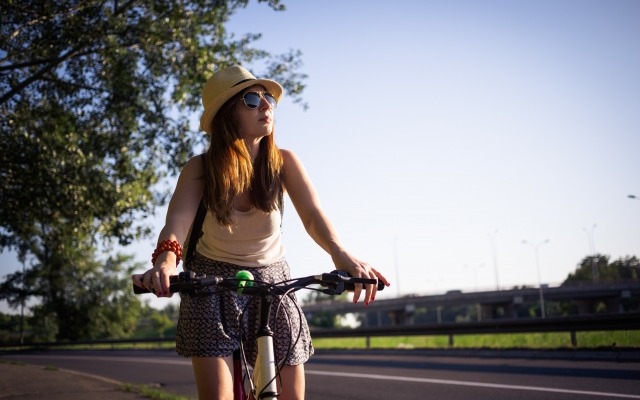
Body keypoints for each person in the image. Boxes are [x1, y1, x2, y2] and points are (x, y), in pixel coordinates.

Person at [132, 65, 389, 400]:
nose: (266, 105)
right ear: (227, 114)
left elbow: (312, 215)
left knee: (291, 395)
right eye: (252, 99)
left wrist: (341, 254)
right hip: (210, 280)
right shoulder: (200, 168)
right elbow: (176, 224)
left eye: (268, 98)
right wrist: (166, 264)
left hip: (273, 279)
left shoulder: (283, 161)